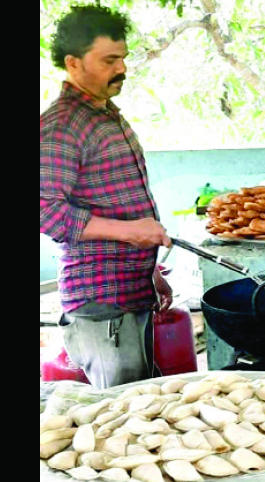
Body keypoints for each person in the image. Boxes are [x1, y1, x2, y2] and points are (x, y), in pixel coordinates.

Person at [40, 5, 173, 390]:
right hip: (100, 300)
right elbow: (46, 212)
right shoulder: (62, 125)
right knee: (120, 412)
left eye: (123, 59)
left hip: (132, 290)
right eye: (109, 60)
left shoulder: (105, 114)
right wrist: (132, 232)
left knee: (142, 400)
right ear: (73, 62)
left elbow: (116, 202)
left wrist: (151, 274)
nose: (122, 69)